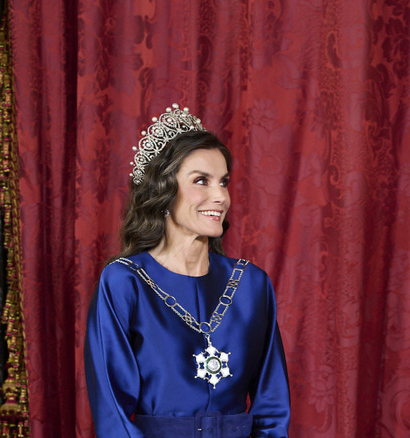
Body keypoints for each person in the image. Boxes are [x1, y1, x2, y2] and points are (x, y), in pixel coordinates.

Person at [84, 104, 291, 437]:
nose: (219, 196)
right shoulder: (124, 282)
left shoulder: (252, 284)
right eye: (201, 181)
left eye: (223, 182)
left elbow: (272, 405)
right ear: (164, 191)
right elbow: (113, 413)